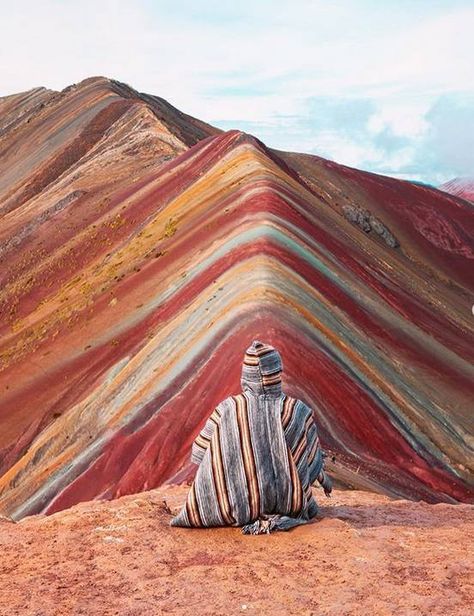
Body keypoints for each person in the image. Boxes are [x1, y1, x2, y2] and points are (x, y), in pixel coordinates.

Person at [171, 340, 332, 534]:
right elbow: (310, 460)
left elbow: (200, 453)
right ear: (277, 372)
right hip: (288, 504)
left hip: (232, 504)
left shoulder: (228, 408)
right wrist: (322, 478)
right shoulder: (297, 410)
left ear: (246, 374)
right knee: (301, 503)